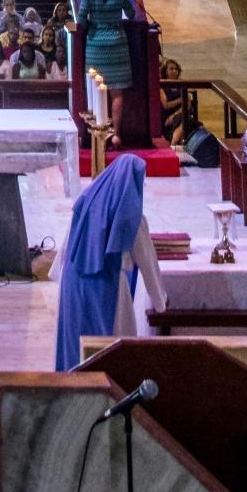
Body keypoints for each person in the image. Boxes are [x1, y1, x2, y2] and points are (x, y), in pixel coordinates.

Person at [54, 150, 166, 367]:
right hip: (109, 286)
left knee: (73, 345)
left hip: (73, 283)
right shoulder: (132, 218)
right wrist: (160, 302)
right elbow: (148, 263)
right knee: (112, 353)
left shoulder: (85, 202)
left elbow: (67, 248)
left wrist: (62, 281)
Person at [76, 0, 137, 129]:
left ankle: (96, 133)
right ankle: (116, 134)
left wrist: (94, 23)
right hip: (117, 46)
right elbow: (131, 13)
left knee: (96, 92)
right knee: (117, 94)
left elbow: (80, 21)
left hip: (95, 46)